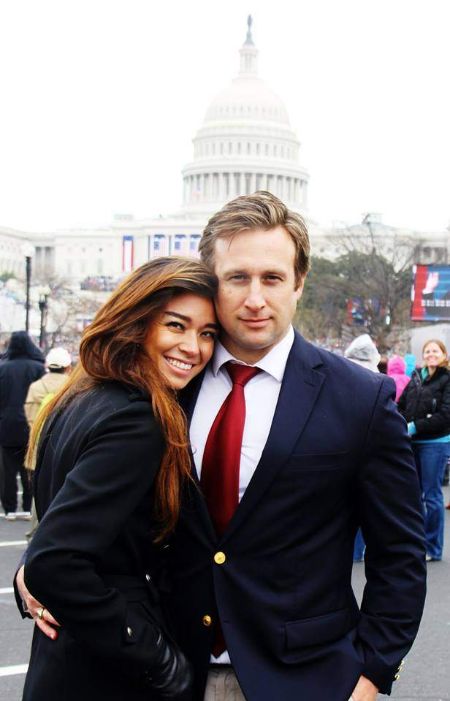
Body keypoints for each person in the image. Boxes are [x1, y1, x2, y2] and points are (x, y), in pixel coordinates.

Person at [18, 193, 427, 701]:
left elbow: (399, 552)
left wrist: (372, 674)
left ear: (299, 282)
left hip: (306, 678)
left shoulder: (360, 399)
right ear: (212, 281)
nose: (255, 299)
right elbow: (95, 509)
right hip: (166, 674)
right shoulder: (165, 388)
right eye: (237, 278)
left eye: (272, 278)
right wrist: (34, 566)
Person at [15, 257, 218, 701]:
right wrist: (158, 657)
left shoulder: (79, 397)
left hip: (64, 656)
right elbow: (56, 559)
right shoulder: (137, 419)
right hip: (107, 667)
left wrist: (27, 573)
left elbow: (54, 532)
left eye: (207, 333)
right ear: (137, 321)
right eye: (176, 325)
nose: (194, 347)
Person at [398, 338, 450, 562]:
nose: (431, 354)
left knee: (432, 495)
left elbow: (446, 415)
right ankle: (416, 543)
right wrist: (398, 421)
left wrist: (415, 426)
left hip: (435, 443)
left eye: (435, 351)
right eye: (427, 351)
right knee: (413, 496)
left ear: (444, 354)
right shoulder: (417, 376)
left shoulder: (447, 379)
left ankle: (433, 547)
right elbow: (401, 404)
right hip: (412, 443)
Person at [23, 346, 72, 540]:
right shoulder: (75, 387)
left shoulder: (36, 387)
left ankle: (36, 536)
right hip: (67, 447)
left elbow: (30, 419)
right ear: (68, 366)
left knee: (39, 495)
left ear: (47, 365)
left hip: (40, 446)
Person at [0, 331, 45, 520]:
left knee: (7, 471)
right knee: (30, 468)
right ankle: (28, 506)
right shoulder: (38, 368)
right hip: (31, 424)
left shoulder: (3, 368)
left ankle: (10, 508)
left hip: (6, 424)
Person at [344, 334, 381, 563]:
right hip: (371, 451)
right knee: (369, 503)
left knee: (350, 503)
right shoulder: (376, 378)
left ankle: (355, 551)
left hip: (346, 448)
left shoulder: (341, 372)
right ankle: (365, 548)